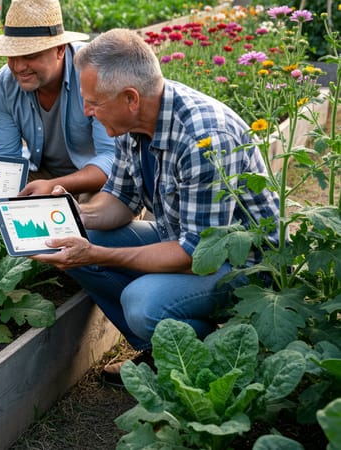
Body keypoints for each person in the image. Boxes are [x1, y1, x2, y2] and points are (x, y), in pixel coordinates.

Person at [29, 28, 280, 384]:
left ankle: (207, 355)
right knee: (77, 232)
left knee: (142, 302)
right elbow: (119, 201)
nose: (86, 111)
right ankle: (164, 352)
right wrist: (72, 214)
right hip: (182, 239)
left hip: (243, 265)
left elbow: (195, 256)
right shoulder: (136, 120)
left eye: (93, 102)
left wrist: (97, 254)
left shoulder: (203, 139)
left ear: (130, 98)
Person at [0, 0, 115, 197]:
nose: (18, 67)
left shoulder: (94, 74)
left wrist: (54, 186)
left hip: (98, 180)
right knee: (1, 195)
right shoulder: (5, 84)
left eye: (30, 56)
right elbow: (3, 158)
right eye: (11, 57)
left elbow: (112, 159)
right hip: (43, 175)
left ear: (59, 50)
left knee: (94, 211)